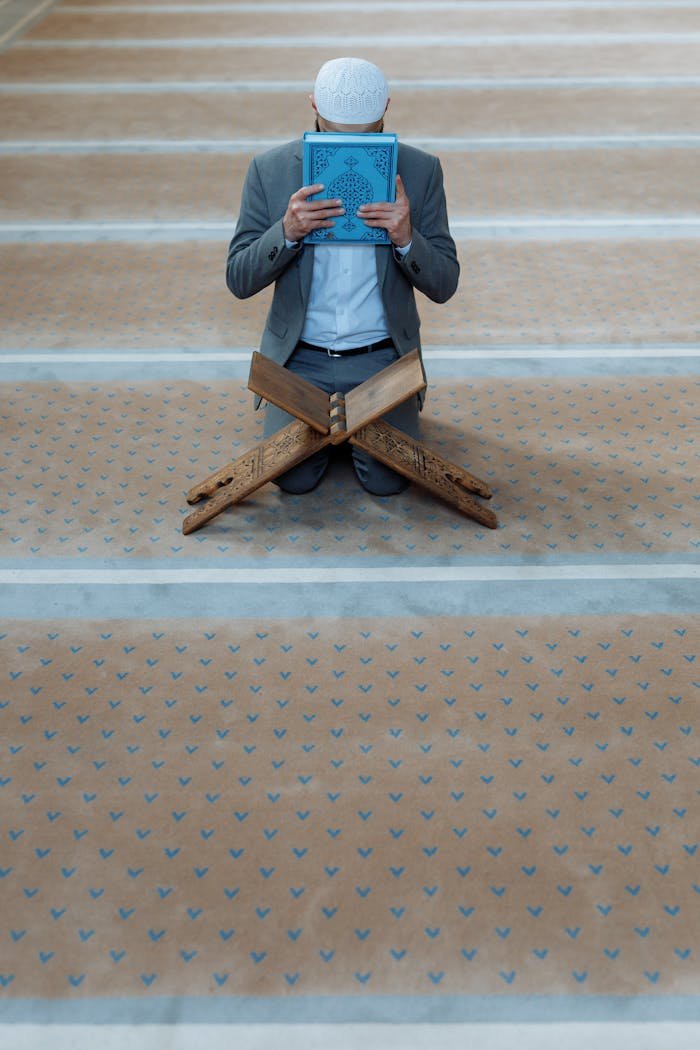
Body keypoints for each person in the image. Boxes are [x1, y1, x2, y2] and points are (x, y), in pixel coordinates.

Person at [226, 56, 459, 495]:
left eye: (368, 138)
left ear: (386, 110)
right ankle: (337, 431)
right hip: (300, 360)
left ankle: (343, 431)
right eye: (333, 137)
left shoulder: (421, 170)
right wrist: (287, 232)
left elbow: (445, 283)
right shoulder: (270, 170)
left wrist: (407, 238)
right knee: (292, 480)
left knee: (388, 483)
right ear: (312, 105)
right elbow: (238, 278)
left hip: (382, 360)